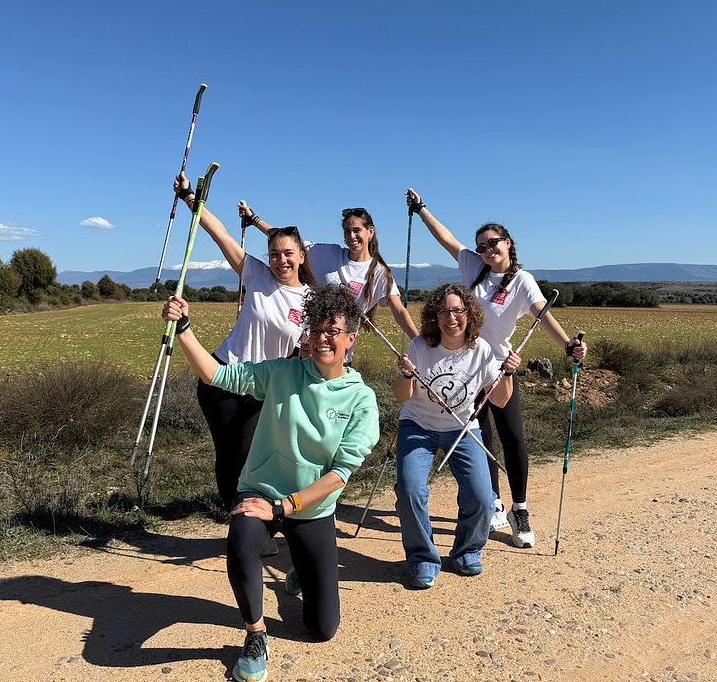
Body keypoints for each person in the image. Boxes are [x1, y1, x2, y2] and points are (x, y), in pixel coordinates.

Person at [161, 283, 379, 682]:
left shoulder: (361, 399)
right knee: (242, 537)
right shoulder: (281, 372)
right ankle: (255, 634)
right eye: (316, 329)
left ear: (351, 337)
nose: (322, 338)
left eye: (333, 331)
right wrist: (185, 328)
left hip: (309, 508)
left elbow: (339, 475)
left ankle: (298, 571)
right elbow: (217, 375)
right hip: (260, 490)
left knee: (322, 629)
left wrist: (284, 508)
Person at [405, 188, 587, 549]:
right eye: (482, 246)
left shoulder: (522, 281)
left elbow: (542, 316)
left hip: (499, 367)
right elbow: (447, 239)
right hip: (464, 369)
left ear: (508, 243)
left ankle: (520, 509)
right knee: (479, 438)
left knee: (512, 437)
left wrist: (568, 345)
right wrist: (422, 210)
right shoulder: (473, 267)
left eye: (493, 243)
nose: (488, 250)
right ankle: (494, 502)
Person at [173, 172, 316, 513]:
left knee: (254, 456)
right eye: (274, 254)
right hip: (221, 376)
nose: (280, 260)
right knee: (230, 455)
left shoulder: (310, 302)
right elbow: (219, 233)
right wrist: (190, 197)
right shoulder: (255, 275)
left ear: (300, 257)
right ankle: (240, 519)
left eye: (287, 254)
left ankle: (256, 516)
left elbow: (307, 352)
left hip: (263, 387)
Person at [393, 283, 519, 588]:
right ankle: (422, 557)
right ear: (435, 316)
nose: (452, 317)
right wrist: (407, 375)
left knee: (483, 498)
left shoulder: (481, 350)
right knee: (410, 491)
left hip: (463, 428)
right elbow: (401, 396)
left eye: (459, 310)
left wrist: (508, 374)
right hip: (417, 427)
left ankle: (467, 550)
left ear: (469, 314)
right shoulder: (420, 346)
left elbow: (500, 400)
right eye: (445, 311)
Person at [238, 203, 419, 356]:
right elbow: (287, 241)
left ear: (370, 232)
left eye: (357, 230)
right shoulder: (328, 253)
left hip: (338, 354)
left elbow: (399, 310)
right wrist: (254, 220)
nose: (351, 236)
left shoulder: (378, 272)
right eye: (347, 231)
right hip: (303, 350)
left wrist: (419, 342)